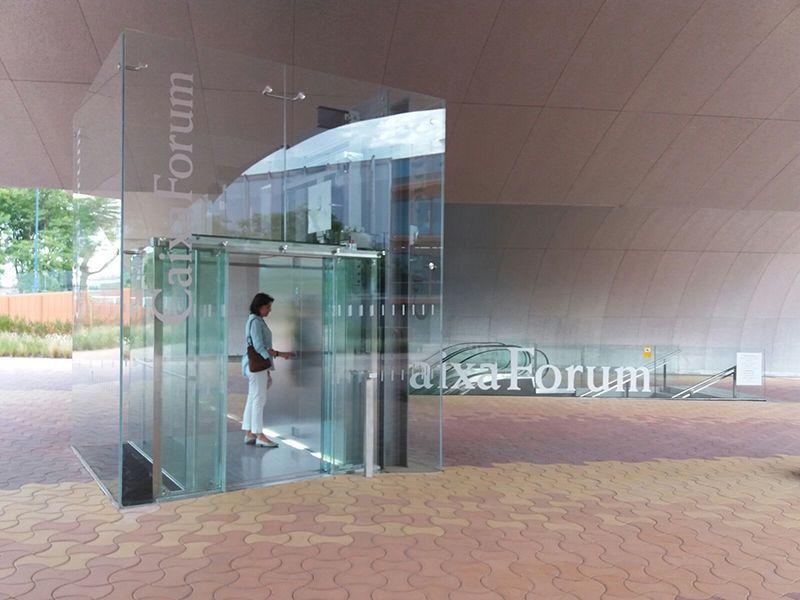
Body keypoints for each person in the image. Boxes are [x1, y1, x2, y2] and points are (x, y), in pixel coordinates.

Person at [242, 292, 293, 448]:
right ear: (259, 306)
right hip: (257, 366)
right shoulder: (256, 322)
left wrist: (268, 364)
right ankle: (259, 435)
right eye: (267, 307)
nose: (269, 310)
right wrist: (277, 355)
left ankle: (249, 432)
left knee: (253, 398)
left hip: (254, 365)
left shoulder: (254, 320)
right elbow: (259, 346)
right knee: (259, 400)